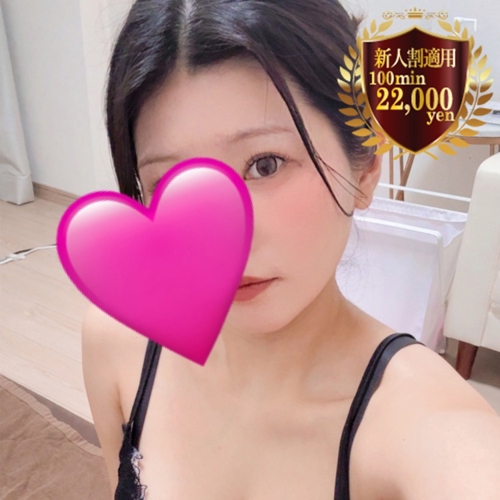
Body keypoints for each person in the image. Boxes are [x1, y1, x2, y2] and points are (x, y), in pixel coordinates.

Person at [82, 0, 500, 498]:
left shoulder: (426, 427)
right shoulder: (119, 339)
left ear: (366, 167)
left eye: (265, 164)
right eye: (174, 181)